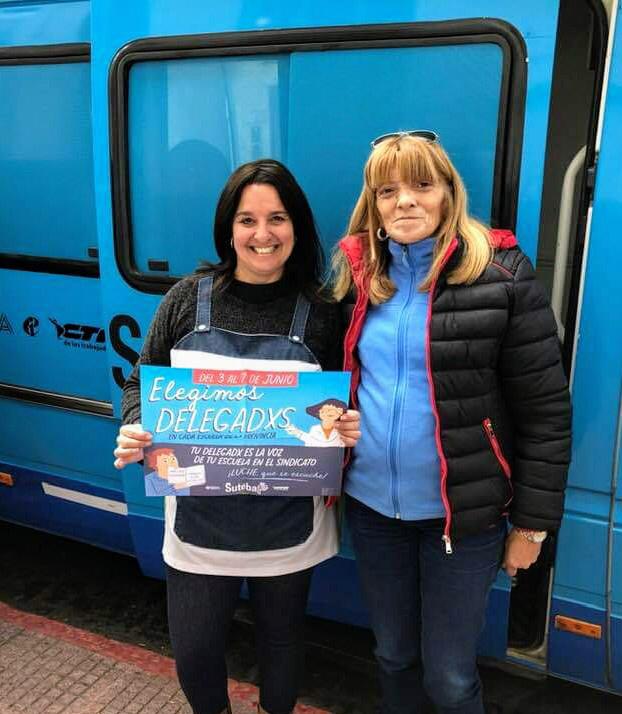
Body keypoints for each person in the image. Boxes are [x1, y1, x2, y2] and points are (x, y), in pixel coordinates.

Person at [332, 131, 571, 714]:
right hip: (373, 511)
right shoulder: (356, 277)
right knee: (393, 656)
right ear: (374, 205)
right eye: (387, 190)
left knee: (450, 678)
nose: (405, 201)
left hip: (462, 520)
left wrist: (532, 527)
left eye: (421, 184)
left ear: (448, 192)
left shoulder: (501, 275)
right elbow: (329, 381)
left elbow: (545, 410)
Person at [113, 159, 361, 714]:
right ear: (228, 228)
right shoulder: (186, 299)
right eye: (247, 219)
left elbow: (347, 405)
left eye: (277, 218)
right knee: (195, 653)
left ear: (297, 226)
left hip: (290, 527)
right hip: (197, 525)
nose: (262, 234)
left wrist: (346, 426)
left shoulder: (324, 314)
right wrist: (135, 425)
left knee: (282, 645)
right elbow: (139, 381)